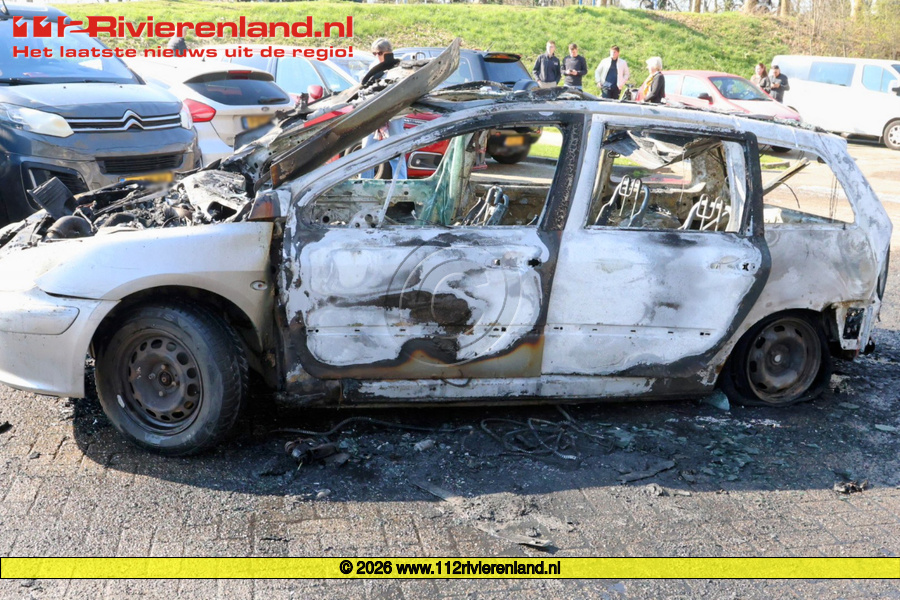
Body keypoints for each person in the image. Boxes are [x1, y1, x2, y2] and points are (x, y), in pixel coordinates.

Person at [360, 39, 407, 179]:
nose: (377, 56)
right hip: (374, 114)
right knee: (366, 152)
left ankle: (401, 183)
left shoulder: (398, 67)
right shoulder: (373, 67)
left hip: (393, 114)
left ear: (388, 52)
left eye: (380, 53)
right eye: (374, 53)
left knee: (396, 150)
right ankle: (364, 182)